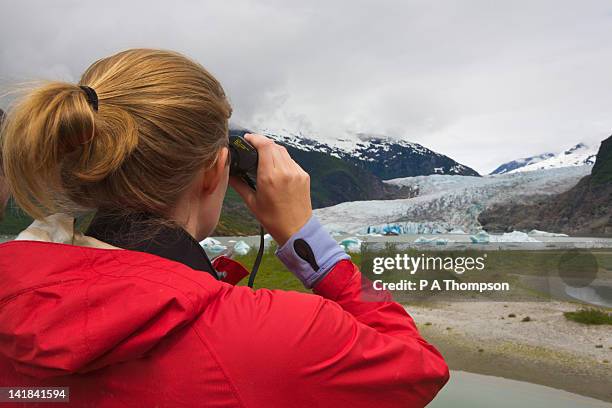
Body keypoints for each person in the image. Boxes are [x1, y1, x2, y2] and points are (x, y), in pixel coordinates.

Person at [0, 49, 448, 407]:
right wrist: (311, 243)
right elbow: (420, 369)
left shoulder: (11, 290)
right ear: (217, 171)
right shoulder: (275, 338)